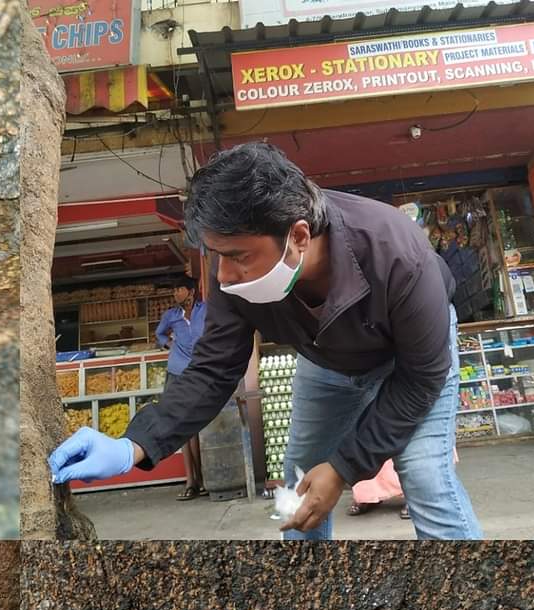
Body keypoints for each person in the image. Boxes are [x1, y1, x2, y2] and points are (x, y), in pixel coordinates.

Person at [48, 142, 482, 540]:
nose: (222, 275)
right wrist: (132, 445)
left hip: (412, 364)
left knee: (425, 476)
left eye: (238, 256)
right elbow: (212, 370)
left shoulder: (397, 254)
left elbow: (421, 378)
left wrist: (344, 467)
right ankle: (306, 602)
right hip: (328, 362)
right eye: (216, 256)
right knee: (298, 485)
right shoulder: (232, 280)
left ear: (297, 236)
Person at [153, 276, 207, 500]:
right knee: (183, 427)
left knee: (199, 426)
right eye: (174, 290)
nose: (175, 294)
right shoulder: (171, 316)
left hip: (201, 371)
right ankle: (191, 481)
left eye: (179, 290)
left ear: (191, 291)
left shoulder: (206, 310)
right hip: (177, 373)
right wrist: (170, 344)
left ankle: (203, 479)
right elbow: (159, 334)